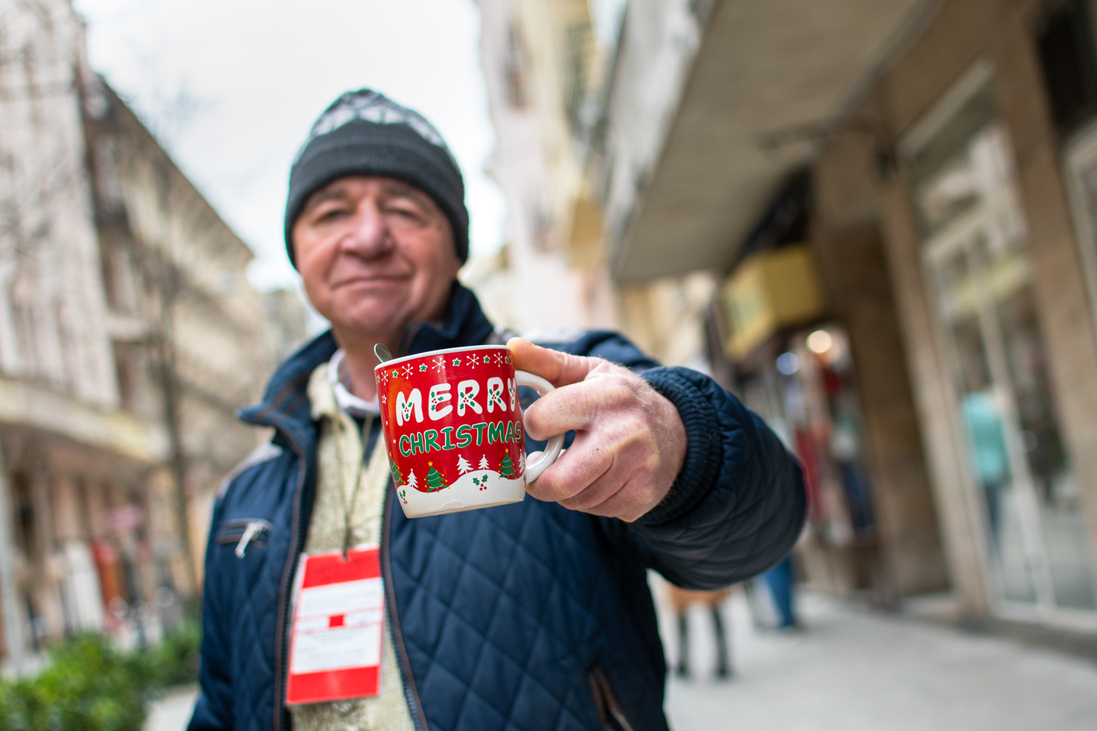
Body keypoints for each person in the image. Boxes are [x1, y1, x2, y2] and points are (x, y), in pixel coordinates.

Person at [188, 89, 805, 731]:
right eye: (331, 213)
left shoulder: (577, 391)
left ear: (457, 247)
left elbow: (768, 524)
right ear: (298, 253)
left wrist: (683, 446)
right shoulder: (248, 492)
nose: (367, 237)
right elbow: (220, 705)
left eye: (403, 210)